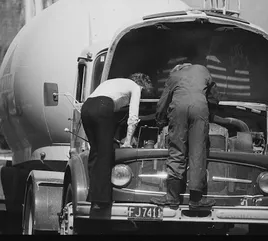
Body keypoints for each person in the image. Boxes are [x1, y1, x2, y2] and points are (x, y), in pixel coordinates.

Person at [151, 63, 220, 209]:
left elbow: (163, 102)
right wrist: (212, 112)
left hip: (178, 110)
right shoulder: (203, 70)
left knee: (176, 150)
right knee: (197, 152)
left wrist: (159, 120)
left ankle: (172, 197)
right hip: (199, 108)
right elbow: (213, 96)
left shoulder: (173, 75)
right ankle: (196, 200)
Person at [81, 73, 153, 210]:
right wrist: (128, 141)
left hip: (86, 107)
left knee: (95, 152)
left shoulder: (114, 82)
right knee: (105, 154)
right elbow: (133, 117)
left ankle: (93, 196)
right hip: (103, 106)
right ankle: (102, 200)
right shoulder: (135, 87)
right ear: (142, 86)